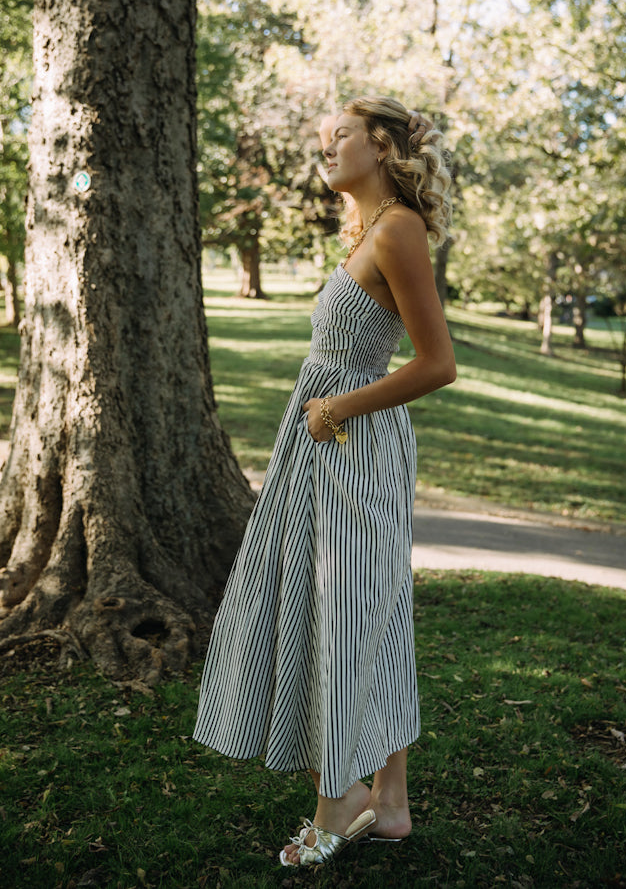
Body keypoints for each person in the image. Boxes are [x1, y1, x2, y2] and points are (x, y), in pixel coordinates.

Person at [193, 95, 456, 867]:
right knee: (363, 609)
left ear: (379, 145)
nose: (325, 145)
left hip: (353, 445)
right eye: (321, 135)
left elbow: (436, 364)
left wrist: (338, 404)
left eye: (338, 133)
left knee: (349, 610)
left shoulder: (399, 229)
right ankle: (392, 803)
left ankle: (340, 797)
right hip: (322, 442)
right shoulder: (368, 232)